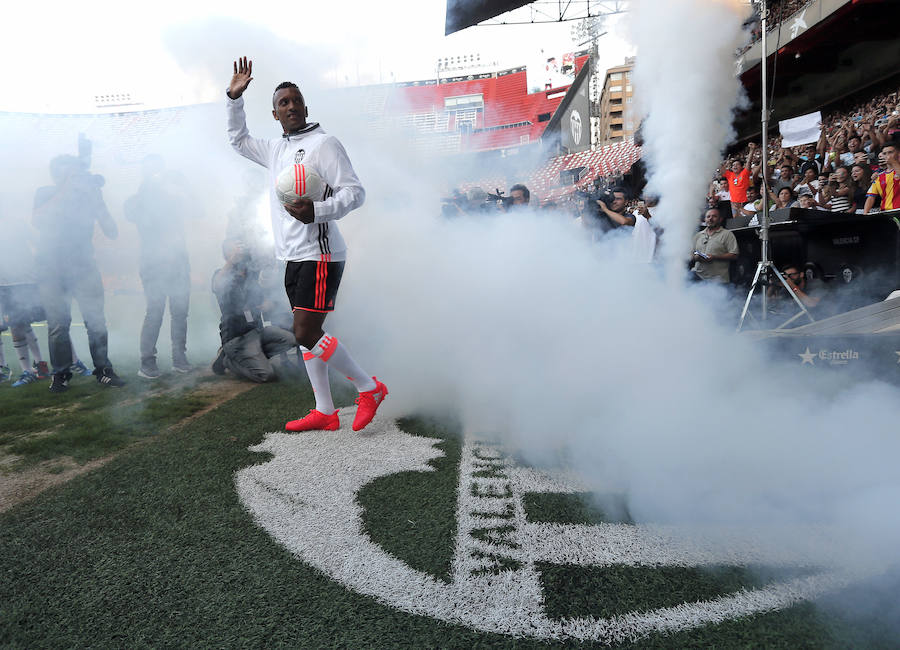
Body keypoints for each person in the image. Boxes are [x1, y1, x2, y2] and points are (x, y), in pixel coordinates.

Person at [226, 57, 386, 432]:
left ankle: (369, 387)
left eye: (296, 100)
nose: (291, 106)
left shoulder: (324, 144)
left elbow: (355, 192)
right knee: (306, 336)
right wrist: (234, 99)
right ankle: (325, 411)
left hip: (321, 254)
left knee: (305, 332)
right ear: (275, 113)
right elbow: (237, 140)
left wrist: (318, 211)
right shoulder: (273, 151)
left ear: (305, 107)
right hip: (293, 256)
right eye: (284, 103)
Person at [32, 144, 125, 392]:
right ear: (56, 176)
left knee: (96, 321)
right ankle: (60, 374)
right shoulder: (45, 193)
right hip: (52, 269)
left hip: (84, 266)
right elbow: (39, 221)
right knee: (58, 325)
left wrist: (98, 201)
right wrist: (65, 188)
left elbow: (112, 231)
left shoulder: (87, 198)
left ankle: (104, 370)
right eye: (68, 175)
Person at [124, 155, 193, 379]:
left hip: (178, 261)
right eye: (152, 171)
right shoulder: (136, 200)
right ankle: (147, 362)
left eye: (159, 170)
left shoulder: (173, 198)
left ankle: (179, 358)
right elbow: (137, 216)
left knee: (180, 312)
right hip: (153, 263)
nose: (157, 175)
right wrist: (151, 189)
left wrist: (184, 185)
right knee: (155, 312)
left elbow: (198, 210)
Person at [211, 239, 298, 383]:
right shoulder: (222, 275)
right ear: (227, 254)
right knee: (266, 375)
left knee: (291, 340)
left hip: (257, 331)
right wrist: (232, 261)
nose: (240, 252)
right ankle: (229, 361)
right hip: (237, 337)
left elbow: (264, 290)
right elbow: (216, 285)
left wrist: (267, 302)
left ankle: (251, 357)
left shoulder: (250, 274)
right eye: (234, 249)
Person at [690, 207, 738, 283]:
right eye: (708, 217)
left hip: (718, 281)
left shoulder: (727, 234)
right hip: (698, 279)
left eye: (714, 216)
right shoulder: (698, 235)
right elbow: (690, 254)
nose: (710, 219)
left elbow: (734, 255)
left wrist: (715, 257)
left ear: (720, 219)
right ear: (705, 219)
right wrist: (695, 257)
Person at [864, 139, 900, 213]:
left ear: (898, 154)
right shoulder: (878, 176)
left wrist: (893, 162)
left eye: (890, 152)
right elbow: (871, 197)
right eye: (884, 153)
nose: (887, 156)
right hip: (886, 213)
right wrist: (865, 213)